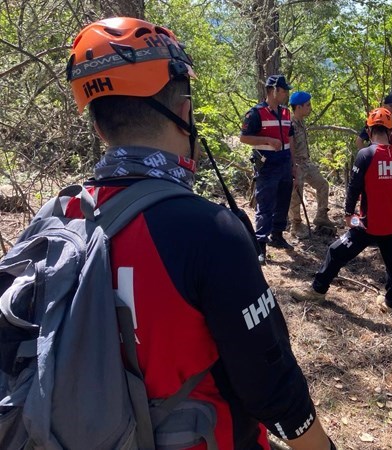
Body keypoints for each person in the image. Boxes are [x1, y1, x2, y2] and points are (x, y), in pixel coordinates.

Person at [65, 17, 334, 450]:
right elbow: (270, 382)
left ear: (98, 127)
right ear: (185, 112)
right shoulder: (209, 232)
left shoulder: (56, 219)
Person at [289, 108, 392, 313]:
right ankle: (391, 304)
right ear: (390, 132)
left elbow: (354, 187)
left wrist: (348, 215)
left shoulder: (366, 154)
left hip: (367, 224)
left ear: (369, 130)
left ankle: (318, 290)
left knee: (335, 251)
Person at [240, 74, 295, 258]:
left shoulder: (286, 113)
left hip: (285, 163)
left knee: (283, 201)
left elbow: (290, 138)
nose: (286, 93)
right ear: (274, 90)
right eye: (284, 90)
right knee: (265, 204)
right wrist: (268, 140)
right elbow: (244, 137)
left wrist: (293, 163)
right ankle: (261, 244)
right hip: (267, 165)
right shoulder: (255, 113)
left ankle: (277, 236)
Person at [287, 91, 335, 239]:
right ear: (299, 107)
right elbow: (290, 147)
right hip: (297, 164)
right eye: (308, 105)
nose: (310, 107)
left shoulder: (301, 122)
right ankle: (296, 224)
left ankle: (321, 215)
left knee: (322, 185)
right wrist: (293, 166)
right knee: (296, 194)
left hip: (307, 163)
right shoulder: (290, 124)